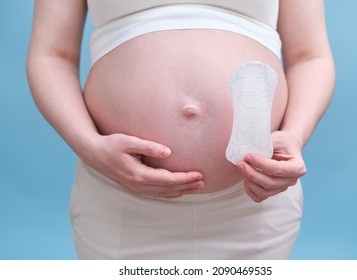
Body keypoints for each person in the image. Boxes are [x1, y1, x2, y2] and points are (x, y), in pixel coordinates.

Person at [27, 0, 335, 259]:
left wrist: (294, 135)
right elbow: (52, 54)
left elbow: (311, 55)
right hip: (121, 202)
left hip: (252, 204)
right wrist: (88, 146)